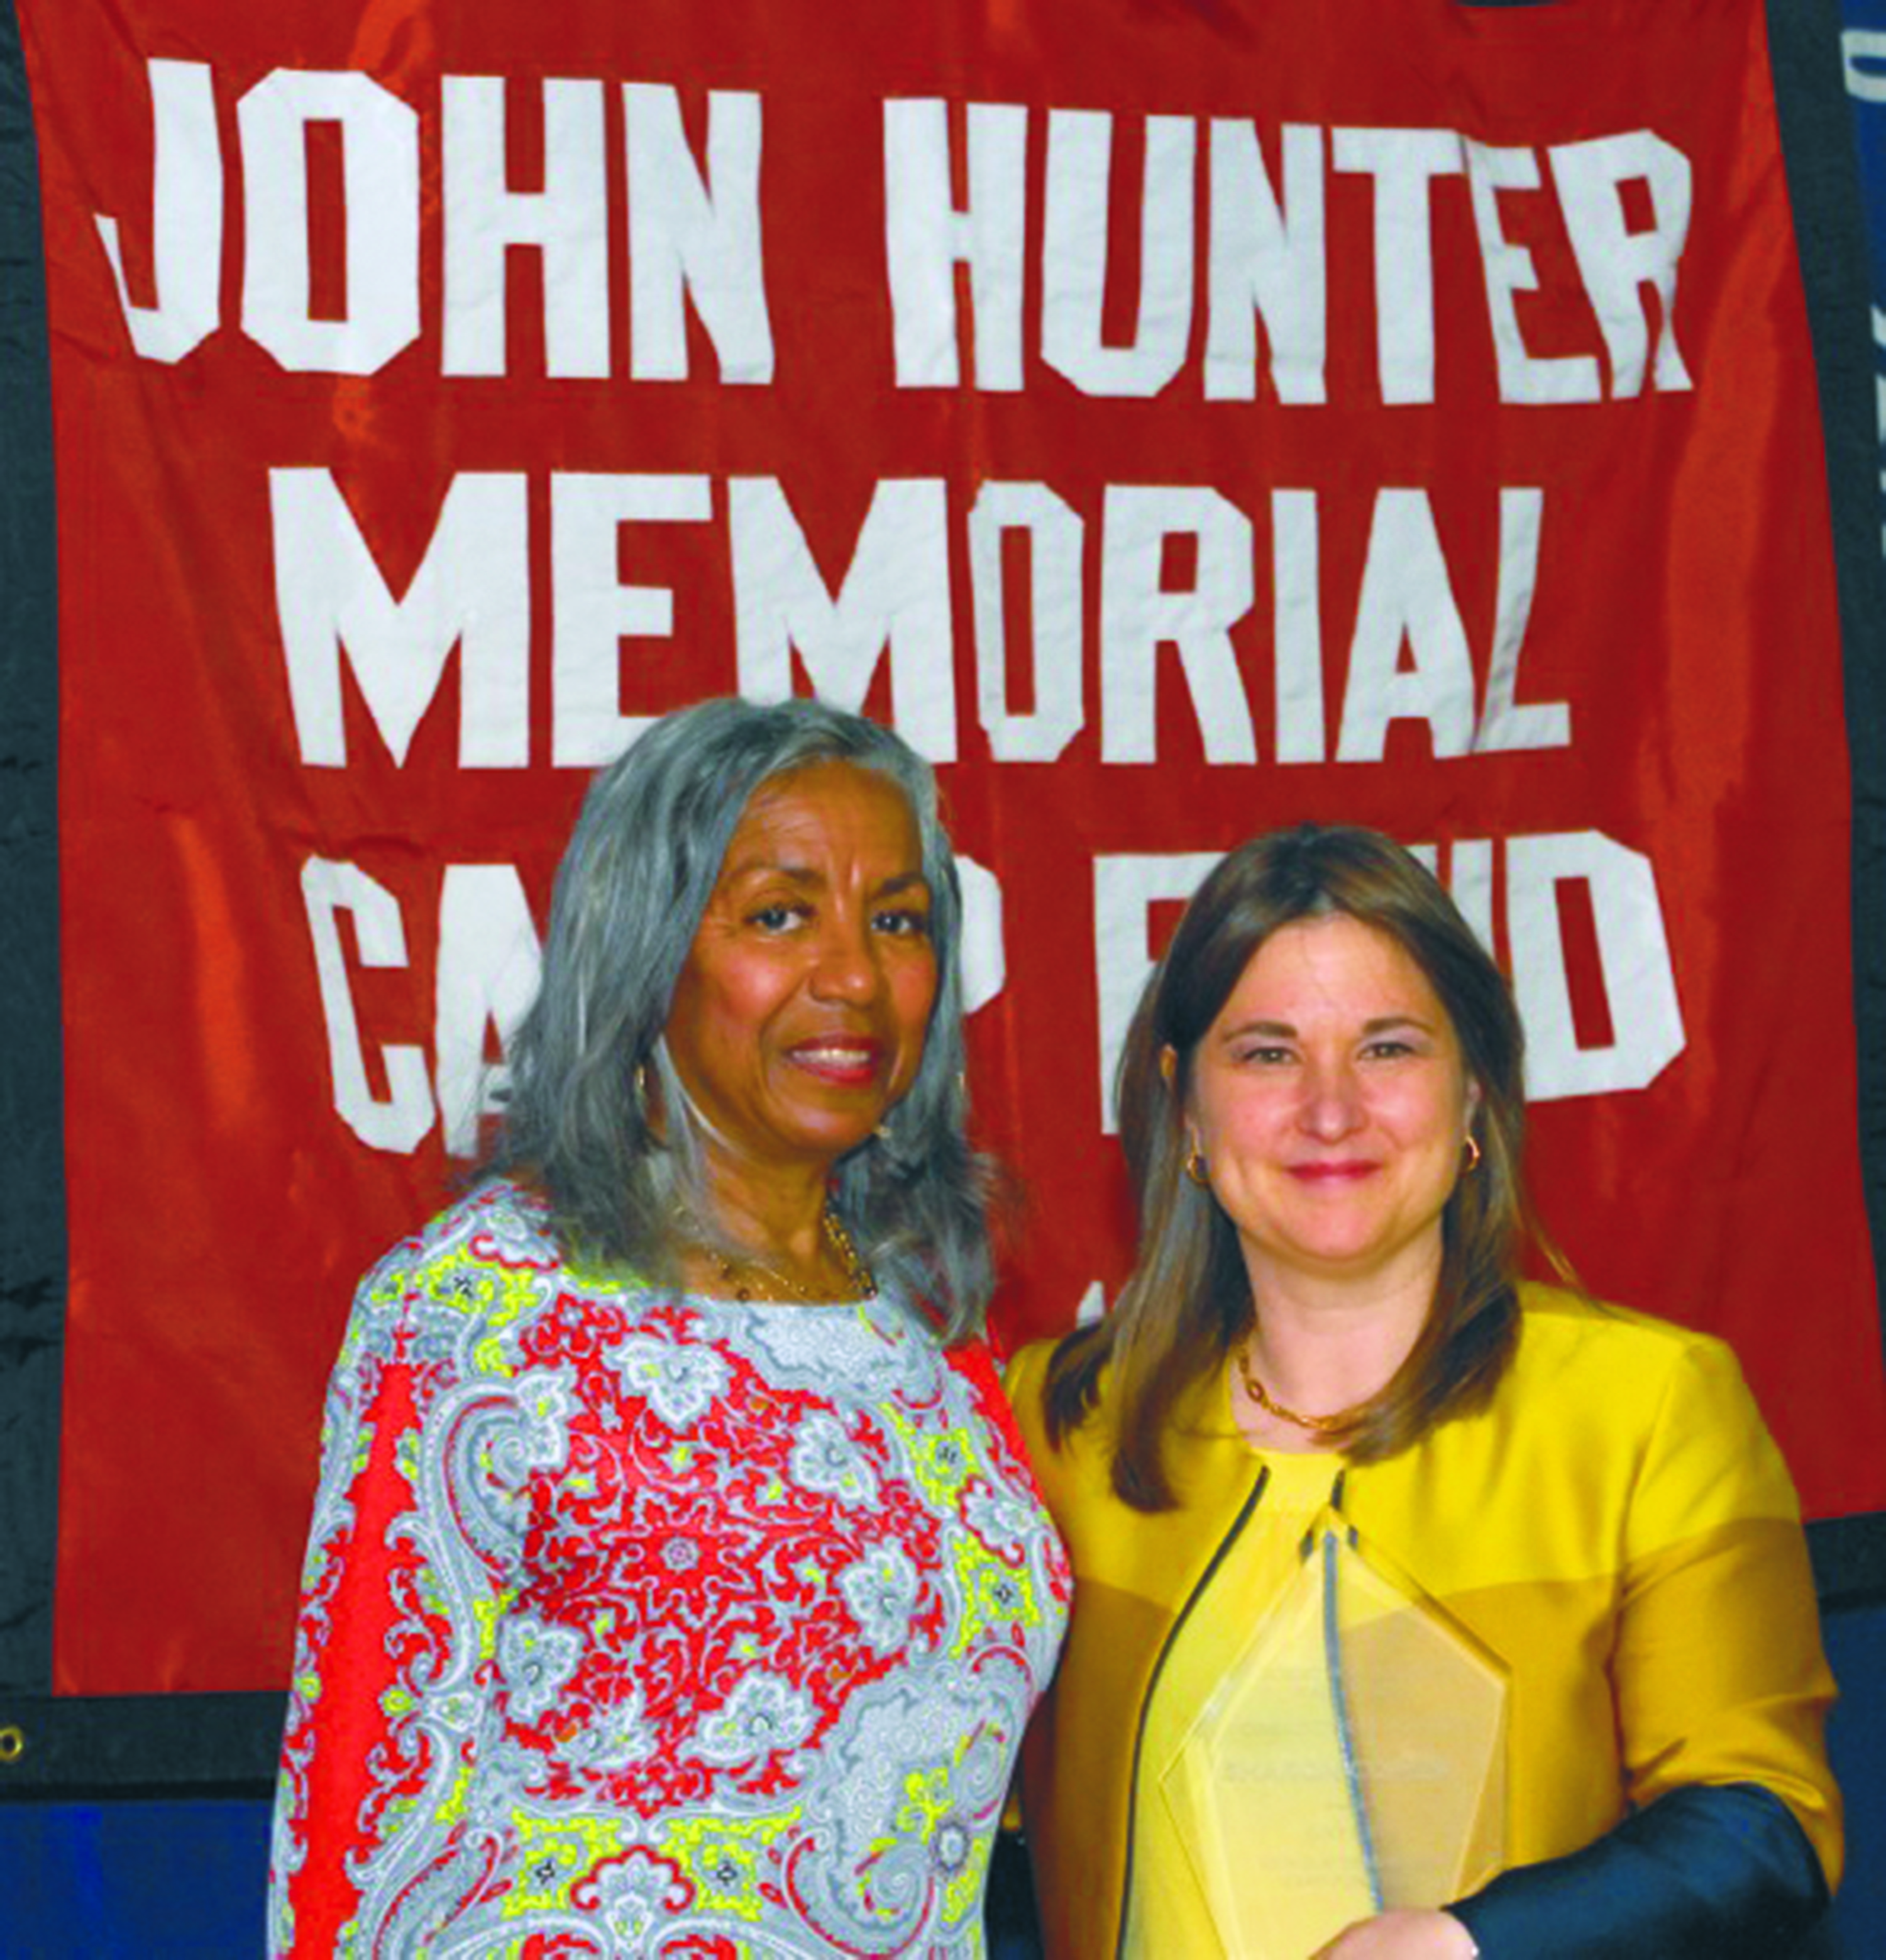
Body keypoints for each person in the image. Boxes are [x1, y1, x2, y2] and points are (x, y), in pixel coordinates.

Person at [268, 697, 1069, 1956]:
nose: (855, 975)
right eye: (778, 914)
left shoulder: (932, 1326)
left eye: (899, 921)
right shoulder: (481, 1308)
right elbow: (356, 1821)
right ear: (644, 947)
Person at [1006, 823, 1841, 1959]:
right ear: (1185, 1107)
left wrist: (1468, 1944)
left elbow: (1765, 1828)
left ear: (1476, 1096)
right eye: (1266, 1054)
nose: (1331, 1109)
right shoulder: (1054, 1423)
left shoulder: (1650, 1405)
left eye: (1389, 1048)